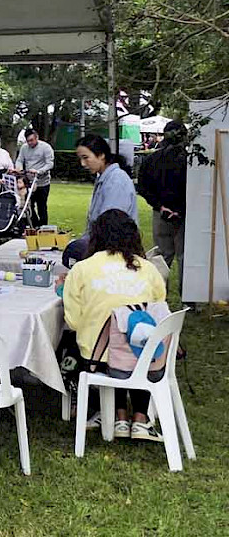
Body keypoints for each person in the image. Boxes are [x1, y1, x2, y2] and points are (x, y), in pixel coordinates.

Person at [62, 210, 167, 440]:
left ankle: (118, 415)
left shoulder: (82, 269)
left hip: (97, 357)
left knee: (114, 350)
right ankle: (140, 418)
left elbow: (73, 322)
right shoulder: (148, 269)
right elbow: (159, 311)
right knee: (132, 346)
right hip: (145, 356)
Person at [137, 120, 188, 289]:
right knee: (184, 256)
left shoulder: (151, 160)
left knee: (162, 256)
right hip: (183, 214)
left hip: (160, 213)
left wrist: (159, 206)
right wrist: (179, 209)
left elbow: (142, 187)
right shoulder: (189, 161)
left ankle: (159, 293)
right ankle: (187, 296)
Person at [77, 134, 139, 228]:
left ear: (101, 155)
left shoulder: (117, 181)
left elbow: (111, 224)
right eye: (80, 158)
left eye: (85, 157)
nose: (82, 163)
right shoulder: (105, 178)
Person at [16, 128, 55, 226]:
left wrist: (39, 171)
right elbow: (20, 160)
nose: (30, 143)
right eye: (28, 141)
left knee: (42, 206)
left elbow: (50, 164)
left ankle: (43, 226)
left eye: (31, 140)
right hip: (29, 182)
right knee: (29, 206)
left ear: (36, 137)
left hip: (42, 182)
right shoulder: (24, 148)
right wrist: (19, 168)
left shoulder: (46, 147)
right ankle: (34, 225)